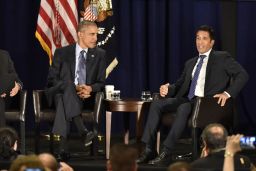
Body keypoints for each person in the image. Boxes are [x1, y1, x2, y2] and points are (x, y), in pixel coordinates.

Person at [136, 25, 249, 165]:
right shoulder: (190, 63)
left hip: (208, 103)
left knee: (184, 108)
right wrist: (167, 88)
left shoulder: (222, 58)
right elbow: (178, 85)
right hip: (189, 100)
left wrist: (227, 93)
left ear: (211, 42)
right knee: (157, 103)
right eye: (197, 38)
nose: (200, 42)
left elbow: (243, 75)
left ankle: (166, 151)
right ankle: (148, 149)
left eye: (204, 39)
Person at [45, 20, 106, 160]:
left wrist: (90, 88)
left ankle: (62, 150)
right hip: (60, 92)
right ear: (80, 34)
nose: (95, 38)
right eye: (92, 34)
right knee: (66, 87)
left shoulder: (100, 54)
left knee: (63, 100)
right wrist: (73, 87)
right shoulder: (62, 53)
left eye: (96, 35)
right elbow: (52, 79)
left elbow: (101, 83)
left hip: (85, 97)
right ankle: (83, 131)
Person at [0, 49, 23, 127]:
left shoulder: (4, 55)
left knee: (12, 77)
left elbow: (16, 78)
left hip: (5, 95)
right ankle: (2, 136)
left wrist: (18, 86)